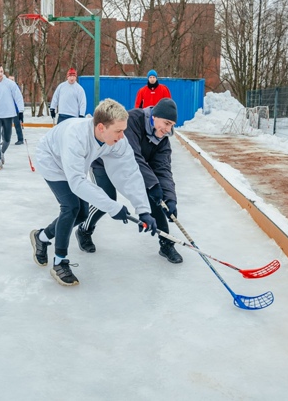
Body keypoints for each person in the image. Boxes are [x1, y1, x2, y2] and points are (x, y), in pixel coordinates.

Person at [31, 98, 157, 286]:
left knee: (82, 214)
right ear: (101, 127)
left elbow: (129, 172)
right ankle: (59, 262)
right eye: (119, 131)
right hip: (51, 160)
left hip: (73, 165)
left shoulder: (116, 141)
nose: (122, 136)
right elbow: (76, 183)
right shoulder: (76, 137)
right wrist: (112, 206)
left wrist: (143, 210)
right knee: (71, 207)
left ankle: (41, 237)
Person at [76, 98, 183, 263]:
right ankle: (84, 229)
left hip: (133, 167)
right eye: (166, 123)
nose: (168, 129)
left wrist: (170, 198)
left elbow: (163, 170)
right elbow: (133, 156)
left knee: (156, 198)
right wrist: (152, 184)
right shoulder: (132, 120)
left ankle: (166, 243)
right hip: (104, 161)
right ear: (154, 116)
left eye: (172, 125)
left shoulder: (162, 141)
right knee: (107, 199)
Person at [8, 76, 25, 145]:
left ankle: (20, 139)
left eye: (12, 79)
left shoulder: (16, 88)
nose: (11, 81)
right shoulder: (6, 88)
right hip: (8, 110)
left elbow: (19, 100)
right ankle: (5, 140)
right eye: (10, 80)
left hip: (15, 110)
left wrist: (20, 111)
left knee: (17, 125)